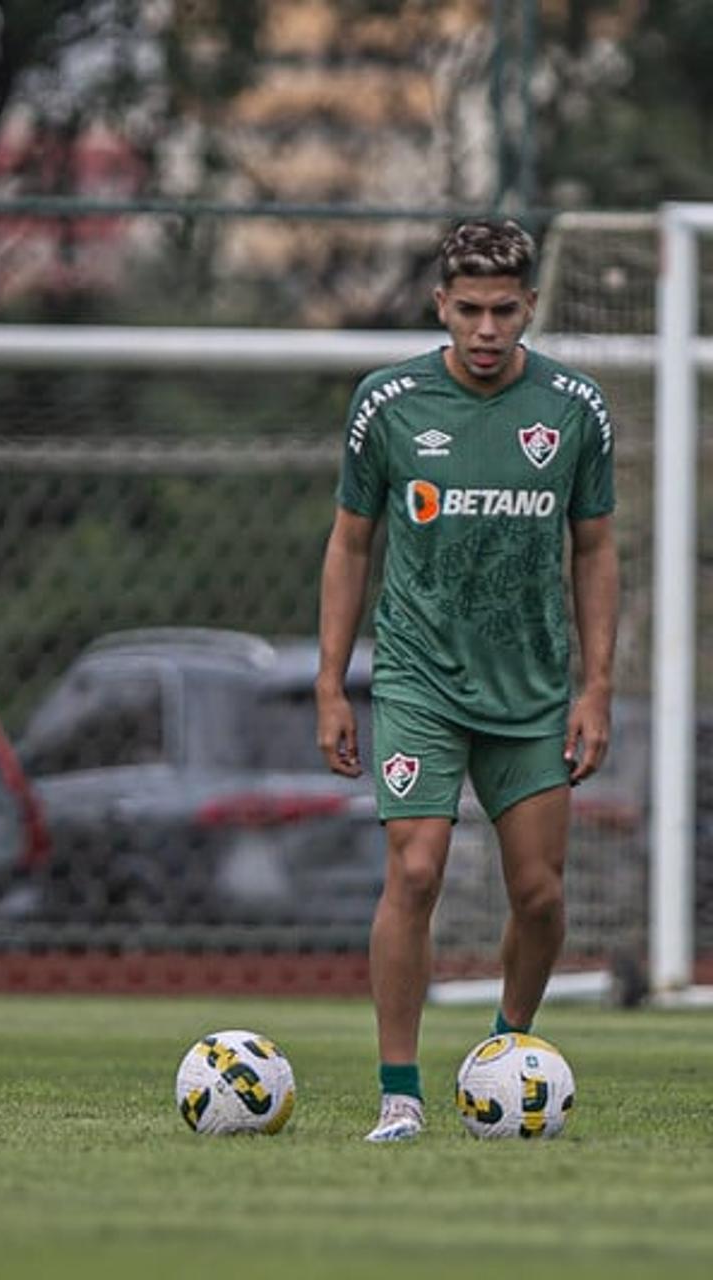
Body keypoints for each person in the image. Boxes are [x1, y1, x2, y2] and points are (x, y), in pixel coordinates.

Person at [316, 218, 618, 1143]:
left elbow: (596, 547)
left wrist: (596, 685)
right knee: (415, 869)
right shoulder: (388, 403)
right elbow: (350, 542)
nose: (487, 330)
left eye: (504, 311)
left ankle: (504, 1054)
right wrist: (333, 681)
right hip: (419, 679)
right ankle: (399, 1095)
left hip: (530, 688)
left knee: (539, 895)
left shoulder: (574, 408)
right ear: (440, 305)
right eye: (470, 310)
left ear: (529, 307)